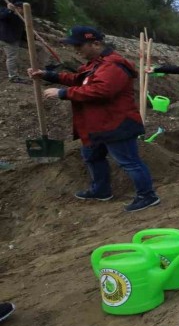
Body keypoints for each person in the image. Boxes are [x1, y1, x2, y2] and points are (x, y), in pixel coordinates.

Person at [28, 26, 160, 212]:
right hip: (97, 124)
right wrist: (49, 75)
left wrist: (63, 93)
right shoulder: (96, 64)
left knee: (129, 161)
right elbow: (79, 79)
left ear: (96, 43)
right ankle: (101, 190)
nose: (76, 50)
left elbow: (101, 90)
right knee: (91, 156)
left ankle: (148, 196)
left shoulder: (113, 65)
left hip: (116, 124)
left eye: (79, 46)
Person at [0, 1, 26, 83]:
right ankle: (13, 77)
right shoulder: (6, 12)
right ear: (18, 8)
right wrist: (9, 10)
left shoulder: (20, 17)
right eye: (23, 9)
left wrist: (34, 38)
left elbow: (22, 31)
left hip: (16, 39)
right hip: (8, 40)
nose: (24, 11)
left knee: (39, 48)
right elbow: (2, 17)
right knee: (12, 57)